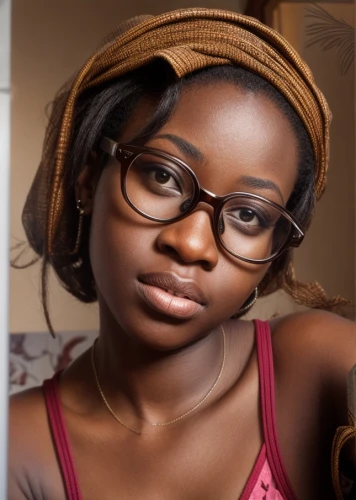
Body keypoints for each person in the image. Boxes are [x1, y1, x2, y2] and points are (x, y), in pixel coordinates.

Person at [8, 7, 356, 500]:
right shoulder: (19, 444)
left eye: (248, 215)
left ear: (274, 249)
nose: (192, 244)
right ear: (88, 177)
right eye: (163, 176)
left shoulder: (314, 366)